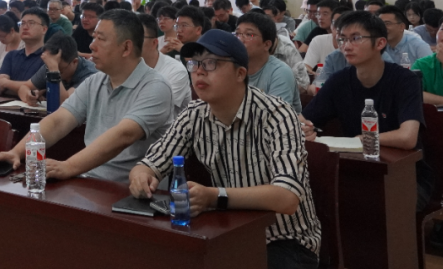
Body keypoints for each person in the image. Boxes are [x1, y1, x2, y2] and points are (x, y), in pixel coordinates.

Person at [131, 29, 321, 268]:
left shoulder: (276, 115)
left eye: (211, 64)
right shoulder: (194, 114)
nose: (199, 71)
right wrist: (141, 177)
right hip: (228, 233)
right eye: (194, 64)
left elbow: (286, 198)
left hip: (284, 241)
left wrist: (214, 196)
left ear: (240, 73)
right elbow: (149, 164)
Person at [0, 10, 173, 183]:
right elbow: (58, 121)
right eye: (94, 37)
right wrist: (17, 152)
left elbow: (123, 135)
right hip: (90, 180)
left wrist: (68, 166)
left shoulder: (155, 87)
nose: (92, 45)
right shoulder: (95, 82)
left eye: (100, 39)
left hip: (131, 188)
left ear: (126, 48)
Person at [300, 11, 433, 212]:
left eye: (355, 38)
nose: (346, 46)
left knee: (374, 207)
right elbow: (304, 120)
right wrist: (305, 129)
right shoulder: (339, 81)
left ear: (380, 43)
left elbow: (408, 138)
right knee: (320, 201)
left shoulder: (405, 80)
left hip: (406, 174)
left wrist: (364, 138)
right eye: (342, 39)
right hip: (354, 168)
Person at [235, 13, 302, 112]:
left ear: (267, 45)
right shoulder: (231, 67)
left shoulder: (280, 72)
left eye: (249, 35)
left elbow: (276, 116)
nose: (240, 39)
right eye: (237, 34)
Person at [16, 34, 98, 106]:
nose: (52, 68)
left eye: (60, 70)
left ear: (74, 62)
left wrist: (54, 70)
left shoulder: (91, 74)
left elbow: (66, 104)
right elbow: (24, 87)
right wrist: (29, 96)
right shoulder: (51, 64)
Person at [136, 13, 190, 116]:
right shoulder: (125, 67)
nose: (130, 44)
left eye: (138, 39)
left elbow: (155, 110)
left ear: (154, 43)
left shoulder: (175, 71)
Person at [0, 7, 48, 95]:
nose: (25, 27)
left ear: (44, 29)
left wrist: (7, 84)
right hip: (6, 103)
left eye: (31, 23)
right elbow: (0, 85)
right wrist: (26, 89)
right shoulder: (11, 55)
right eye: (22, 23)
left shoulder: (48, 57)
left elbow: (39, 89)